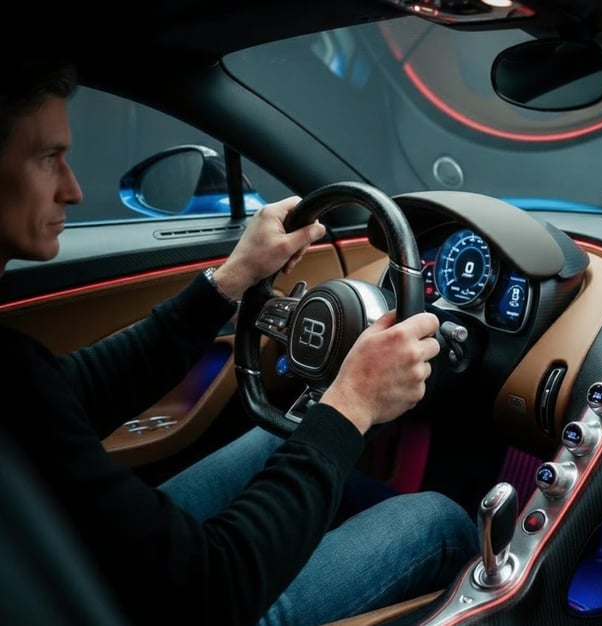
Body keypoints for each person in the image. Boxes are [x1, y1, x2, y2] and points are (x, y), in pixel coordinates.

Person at [0, 61, 480, 626]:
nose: (73, 189)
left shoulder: (16, 374)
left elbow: (75, 392)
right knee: (439, 521)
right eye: (48, 158)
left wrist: (231, 281)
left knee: (276, 441)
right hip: (138, 601)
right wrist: (352, 401)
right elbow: (216, 588)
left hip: (72, 563)